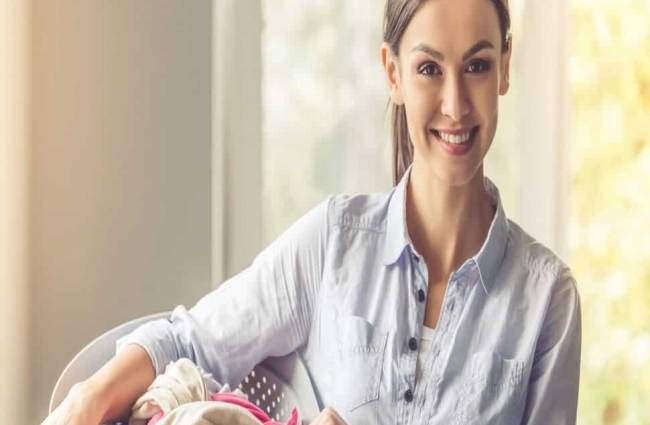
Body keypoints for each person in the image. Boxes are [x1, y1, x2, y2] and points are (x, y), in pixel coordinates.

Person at [43, 0, 581, 424]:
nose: (456, 104)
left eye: (477, 65)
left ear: (505, 68)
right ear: (391, 73)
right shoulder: (334, 244)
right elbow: (189, 341)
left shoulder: (546, 300)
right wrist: (82, 405)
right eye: (427, 69)